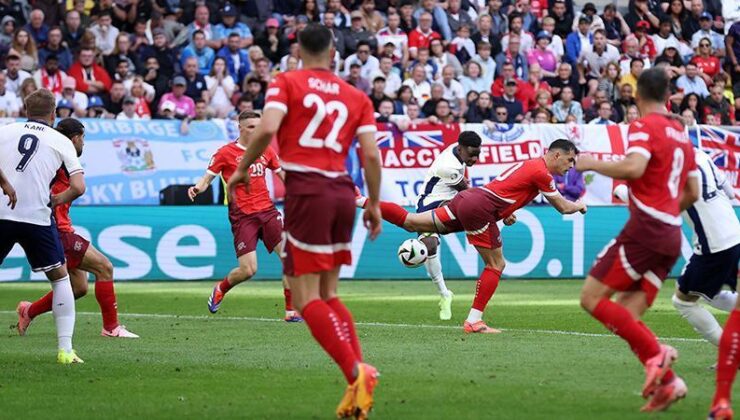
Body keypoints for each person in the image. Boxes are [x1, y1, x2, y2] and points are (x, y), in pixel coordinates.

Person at [226, 24, 383, 419]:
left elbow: (267, 127)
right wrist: (375, 203)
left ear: (297, 49)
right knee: (329, 294)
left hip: (308, 196)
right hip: (343, 195)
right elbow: (371, 156)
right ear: (334, 52)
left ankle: (356, 372)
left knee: (306, 297)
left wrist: (243, 168)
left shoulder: (286, 82)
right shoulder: (356, 96)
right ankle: (358, 382)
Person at [356, 139, 586, 333]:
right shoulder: (542, 173)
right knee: (496, 263)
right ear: (557, 155)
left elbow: (504, 191)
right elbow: (563, 207)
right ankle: (474, 320)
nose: (571, 166)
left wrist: (505, 213)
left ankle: (359, 200)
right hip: (479, 208)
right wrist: (580, 206)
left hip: (469, 201)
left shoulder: (531, 166)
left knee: (411, 222)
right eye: (570, 160)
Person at [575, 67, 700, 412]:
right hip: (671, 233)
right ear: (668, 94)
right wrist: (665, 212)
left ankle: (658, 355)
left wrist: (591, 162)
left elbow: (634, 168)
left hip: (646, 230)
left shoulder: (644, 126)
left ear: (637, 94)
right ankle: (669, 382)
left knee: (591, 298)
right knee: (627, 315)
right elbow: (693, 190)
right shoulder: (680, 132)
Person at [16, 118, 139, 339]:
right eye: (83, 138)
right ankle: (111, 328)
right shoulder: (63, 156)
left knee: (79, 287)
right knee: (105, 268)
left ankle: (28, 310)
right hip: (57, 229)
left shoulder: (50, 154)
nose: (84, 143)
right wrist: (53, 201)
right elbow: (77, 187)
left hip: (57, 226)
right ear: (75, 138)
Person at [188, 111, 300, 322]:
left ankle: (291, 310)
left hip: (268, 211)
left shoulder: (266, 149)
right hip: (242, 216)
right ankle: (221, 288)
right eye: (251, 127)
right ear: (240, 128)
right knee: (248, 270)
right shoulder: (225, 153)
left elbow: (283, 175)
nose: (256, 131)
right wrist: (197, 188)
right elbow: (206, 179)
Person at [0, 89, 86, 364]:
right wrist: (56, 200)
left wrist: (4, 183)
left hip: (2, 212)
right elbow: (78, 187)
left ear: (25, 110)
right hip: (37, 217)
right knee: (60, 278)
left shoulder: (6, 130)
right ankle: (65, 350)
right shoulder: (60, 140)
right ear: (53, 114)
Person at [414, 131, 482, 320]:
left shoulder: (458, 149)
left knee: (430, 245)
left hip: (447, 200)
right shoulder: (448, 166)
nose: (475, 158)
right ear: (461, 149)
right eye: (472, 154)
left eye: (478, 153)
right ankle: (445, 294)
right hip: (429, 202)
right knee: (429, 247)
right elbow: (467, 192)